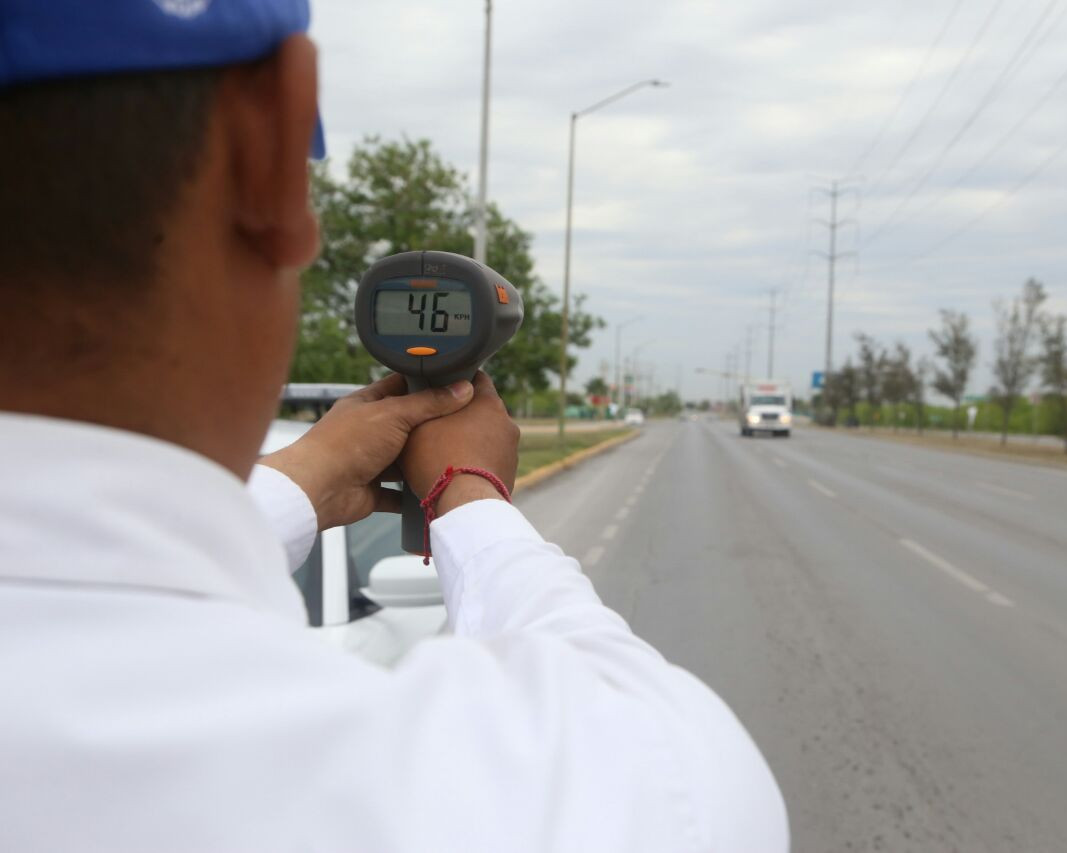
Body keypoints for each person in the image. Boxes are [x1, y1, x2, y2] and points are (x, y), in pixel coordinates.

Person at [0, 1, 788, 851]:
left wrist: (295, 485)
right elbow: (659, 761)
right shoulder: (540, 795)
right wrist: (471, 500)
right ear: (275, 135)